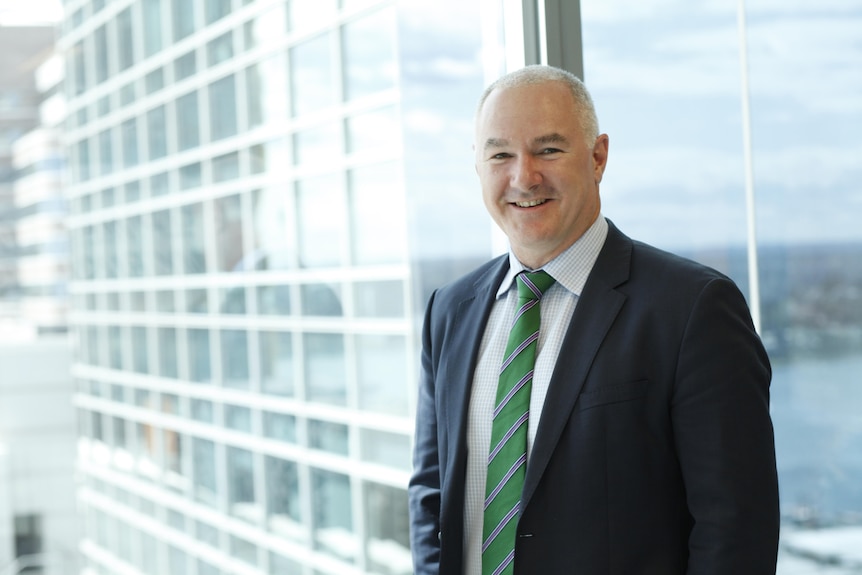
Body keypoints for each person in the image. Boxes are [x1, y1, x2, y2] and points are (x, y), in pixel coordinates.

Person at [408, 64, 780, 575]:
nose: (523, 176)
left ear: (598, 156)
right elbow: (431, 497)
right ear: (478, 166)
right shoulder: (449, 311)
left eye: (548, 149)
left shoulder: (693, 308)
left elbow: (735, 532)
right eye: (500, 154)